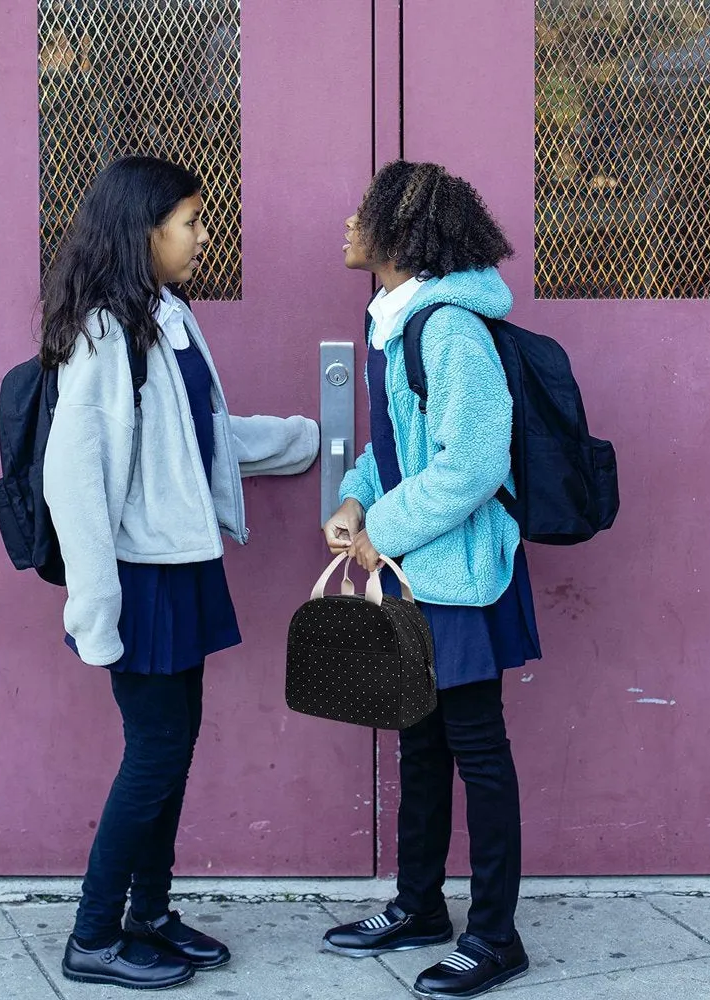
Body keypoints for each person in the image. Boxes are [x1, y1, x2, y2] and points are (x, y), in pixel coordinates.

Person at [42, 155, 318, 990]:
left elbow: (194, 438)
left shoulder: (167, 317)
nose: (202, 235)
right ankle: (93, 936)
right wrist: (96, 606)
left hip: (182, 563)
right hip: (139, 577)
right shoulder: (102, 332)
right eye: (191, 222)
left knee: (175, 743)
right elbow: (74, 480)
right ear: (144, 230)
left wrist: (301, 441)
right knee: (155, 752)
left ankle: (149, 914)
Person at [321, 160, 541, 999]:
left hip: (462, 577)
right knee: (420, 739)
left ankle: (495, 938)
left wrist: (387, 528)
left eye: (364, 210)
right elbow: (400, 445)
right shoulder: (397, 322)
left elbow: (475, 462)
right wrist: (355, 499)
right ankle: (419, 906)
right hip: (418, 573)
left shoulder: (449, 327)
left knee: (477, 749)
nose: (348, 221)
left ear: (402, 235)